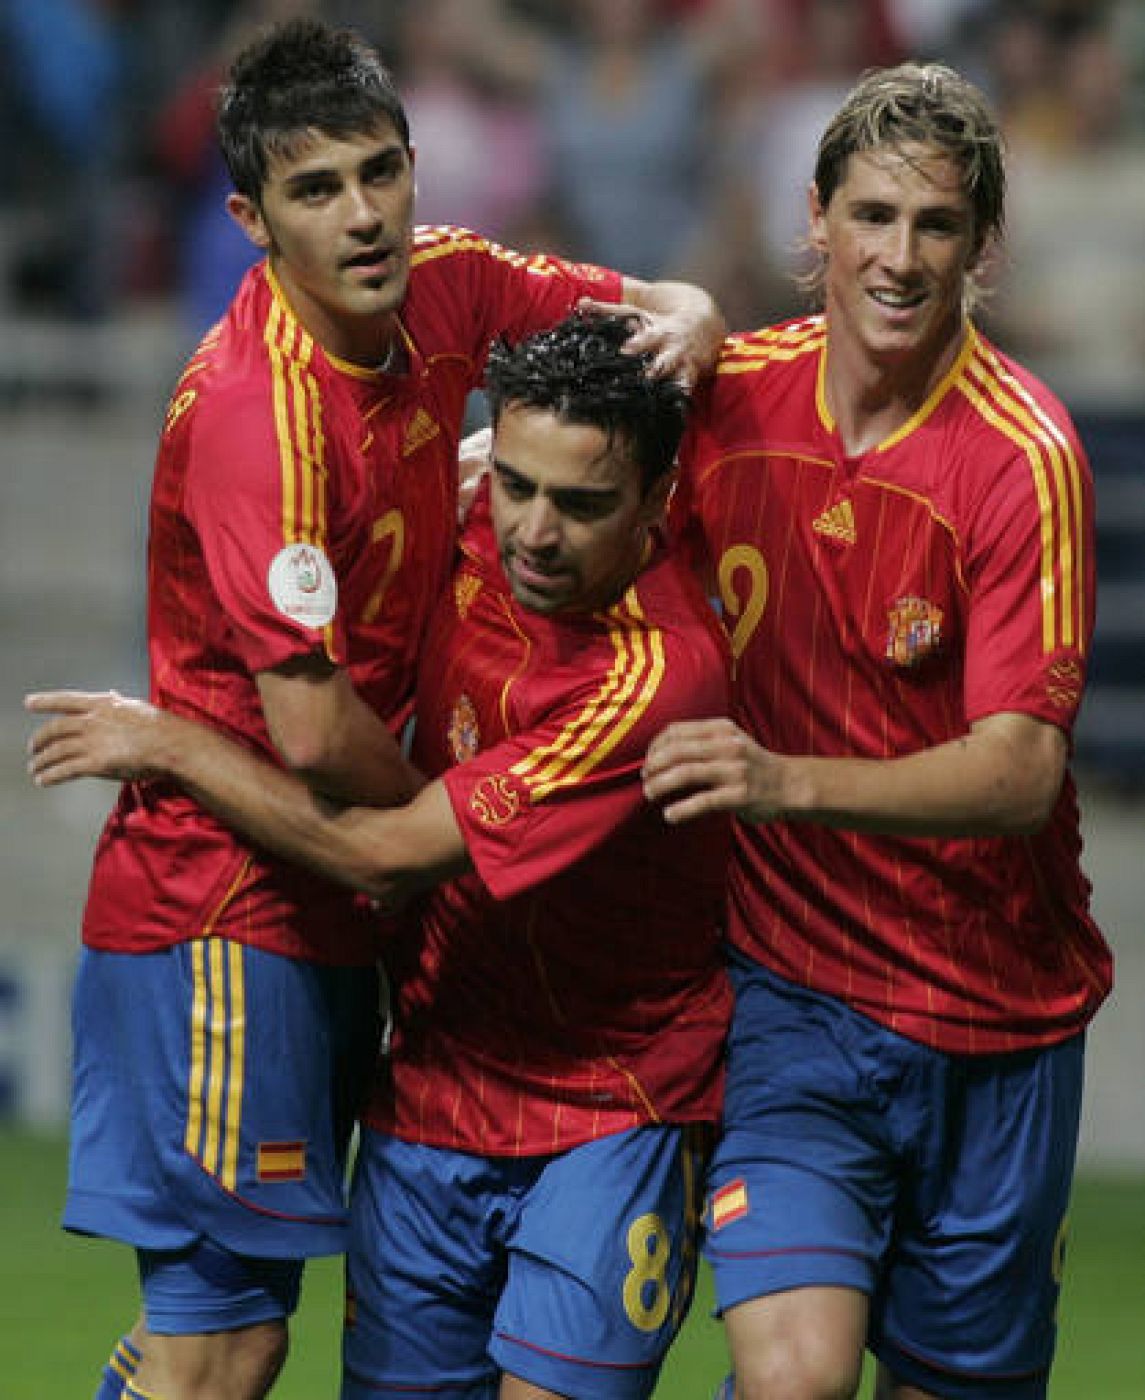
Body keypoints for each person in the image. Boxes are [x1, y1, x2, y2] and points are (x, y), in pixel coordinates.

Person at [29, 15, 725, 1400]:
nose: (361, 217)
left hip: (319, 919)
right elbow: (307, 734)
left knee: (210, 1337)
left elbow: (664, 308)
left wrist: (695, 310)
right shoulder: (257, 418)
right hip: (228, 910)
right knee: (224, 1342)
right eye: (315, 189)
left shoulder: (450, 290)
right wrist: (411, 830)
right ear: (248, 216)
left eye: (378, 172)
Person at [640, 61, 1114, 1400]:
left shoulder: (1022, 455)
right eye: (870, 216)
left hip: (994, 1018)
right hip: (791, 1004)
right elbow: (589, 508)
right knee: (792, 1380)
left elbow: (1019, 773)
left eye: (934, 226)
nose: (896, 258)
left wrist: (776, 780)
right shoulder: (725, 401)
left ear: (981, 249)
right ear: (816, 221)